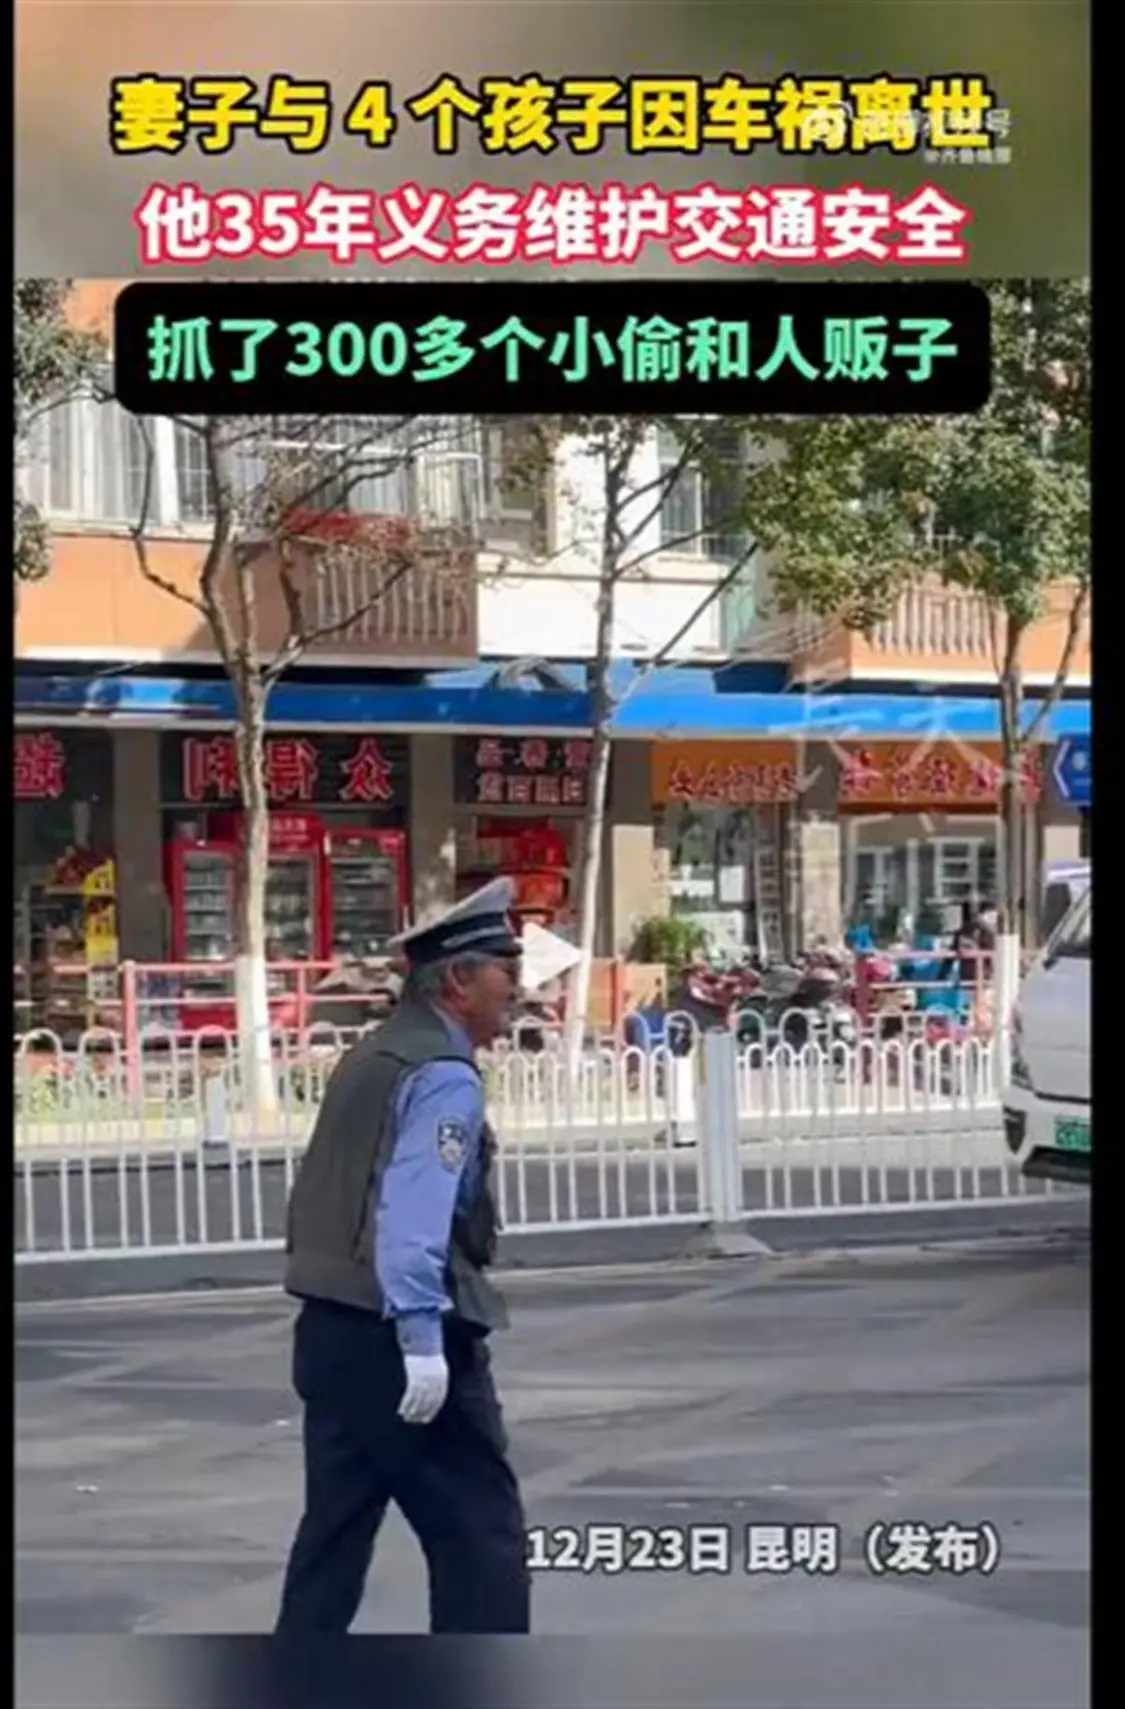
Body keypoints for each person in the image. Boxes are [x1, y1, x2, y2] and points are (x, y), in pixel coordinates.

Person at [275, 877, 531, 1636]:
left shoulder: (371, 1055)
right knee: (481, 1537)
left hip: (329, 1328)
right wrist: (422, 1340)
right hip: (401, 1334)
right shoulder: (442, 1075)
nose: (517, 988)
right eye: (504, 970)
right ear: (457, 981)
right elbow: (411, 1214)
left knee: (334, 1538)